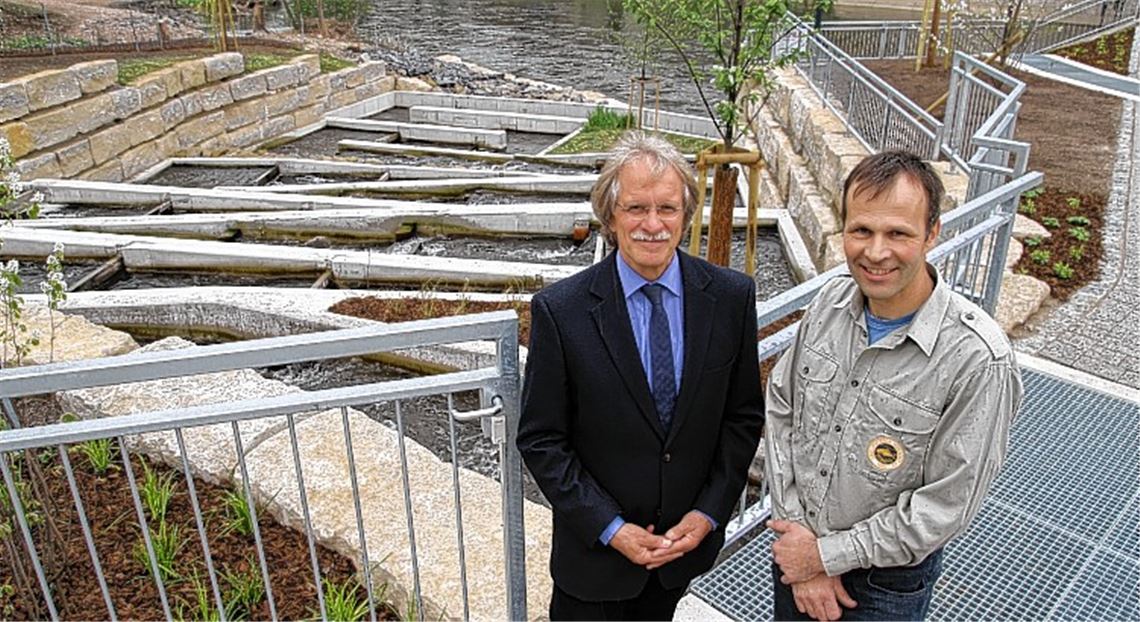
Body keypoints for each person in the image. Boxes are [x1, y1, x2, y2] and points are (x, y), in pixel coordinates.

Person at [764, 150, 1024, 622]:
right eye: (861, 230)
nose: (876, 252)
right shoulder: (829, 304)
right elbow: (782, 410)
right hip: (795, 548)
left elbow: (946, 506)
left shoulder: (977, 359)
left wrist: (825, 558)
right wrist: (798, 539)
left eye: (898, 233)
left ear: (932, 233)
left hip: (883, 586)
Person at [517, 131, 763, 621]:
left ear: (686, 214)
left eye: (667, 208)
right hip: (595, 567)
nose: (653, 224)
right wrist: (612, 528)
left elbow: (742, 418)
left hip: (682, 557)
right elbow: (542, 439)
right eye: (636, 208)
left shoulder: (731, 298)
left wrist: (708, 514)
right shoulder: (561, 312)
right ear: (610, 216)